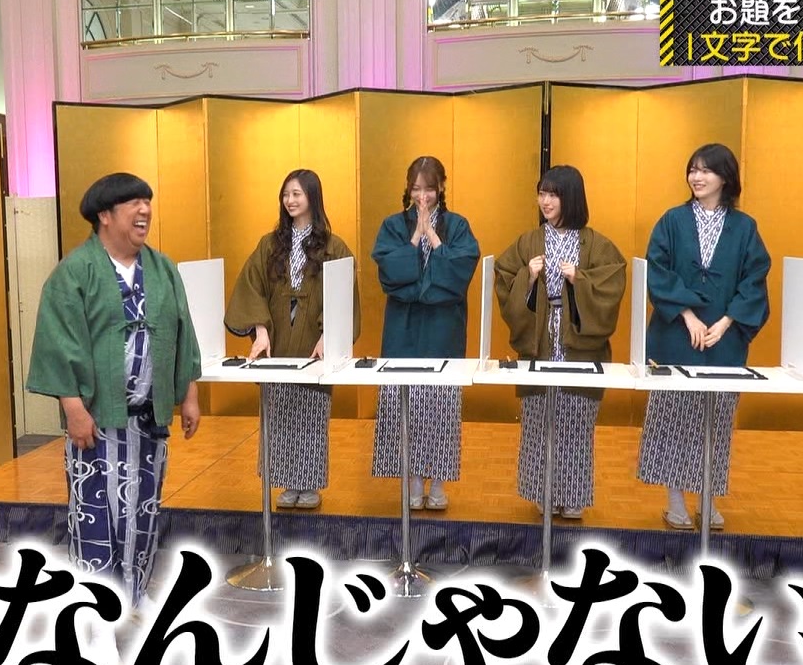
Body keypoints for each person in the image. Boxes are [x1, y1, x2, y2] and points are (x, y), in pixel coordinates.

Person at [27, 173, 202, 632]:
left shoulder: (162, 268)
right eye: (133, 204)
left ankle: (135, 592)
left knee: (143, 510)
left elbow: (183, 331)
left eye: (147, 202)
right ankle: (95, 605)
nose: (145, 211)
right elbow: (59, 343)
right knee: (95, 513)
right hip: (96, 420)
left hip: (147, 419)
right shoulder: (75, 272)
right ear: (105, 215)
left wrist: (188, 395)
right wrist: (73, 409)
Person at [637, 144, 771, 531]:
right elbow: (657, 270)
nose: (697, 177)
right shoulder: (672, 220)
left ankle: (708, 500)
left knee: (717, 422)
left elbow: (754, 279)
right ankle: (676, 502)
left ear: (725, 177)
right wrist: (687, 314)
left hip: (723, 338)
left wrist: (727, 321)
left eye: (706, 171)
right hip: (676, 334)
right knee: (673, 420)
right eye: (693, 170)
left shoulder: (744, 227)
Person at [225, 169, 361, 510]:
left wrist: (329, 336)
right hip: (278, 338)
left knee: (311, 413)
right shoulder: (269, 244)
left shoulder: (334, 246)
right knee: (279, 414)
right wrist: (260, 330)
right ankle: (286, 481)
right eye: (286, 194)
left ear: (312, 197)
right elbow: (252, 285)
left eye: (297, 193)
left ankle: (309, 484)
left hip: (313, 340)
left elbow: (343, 293)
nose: (290, 200)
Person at [495, 165, 626, 519]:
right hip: (540, 339)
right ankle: (543, 492)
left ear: (572, 198)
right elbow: (504, 276)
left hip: (578, 345)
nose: (546, 201)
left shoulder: (597, 244)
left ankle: (573, 495)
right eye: (542, 194)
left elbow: (612, 283)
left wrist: (579, 279)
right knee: (538, 421)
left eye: (554, 194)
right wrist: (528, 276)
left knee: (576, 421)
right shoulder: (528, 241)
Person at [370, 156, 481, 509]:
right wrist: (414, 236)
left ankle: (438, 483)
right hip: (402, 326)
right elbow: (390, 273)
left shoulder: (457, 225)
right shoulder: (393, 225)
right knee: (405, 403)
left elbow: (460, 272)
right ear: (407, 189)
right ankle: (412, 480)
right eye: (416, 189)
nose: (422, 196)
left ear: (441, 188)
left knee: (440, 404)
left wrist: (432, 235)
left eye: (429, 189)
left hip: (443, 326)